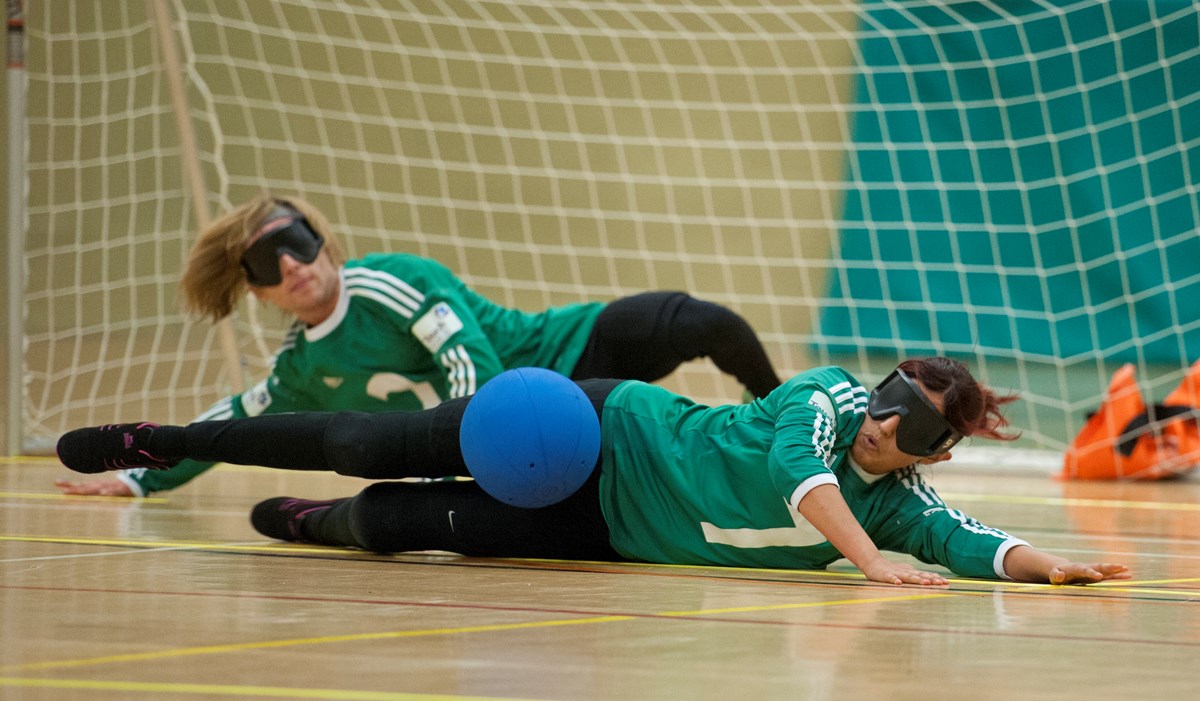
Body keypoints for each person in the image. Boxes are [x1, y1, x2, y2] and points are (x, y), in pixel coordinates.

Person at [55, 356, 1130, 586]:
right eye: (891, 412)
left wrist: (1051, 567)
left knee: (402, 526)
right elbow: (802, 478)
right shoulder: (828, 398)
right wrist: (869, 565)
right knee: (364, 444)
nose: (885, 436)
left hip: (604, 530)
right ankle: (172, 439)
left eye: (915, 437)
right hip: (600, 431)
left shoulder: (896, 497)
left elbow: (962, 538)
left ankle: (309, 524)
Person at [54, 193, 782, 498]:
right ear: (255, 292)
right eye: (264, 265)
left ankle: (782, 419)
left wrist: (472, 457)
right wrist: (139, 479)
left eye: (299, 243)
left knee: (707, 324)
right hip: (535, 434)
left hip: (567, 354)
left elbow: (473, 364)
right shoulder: (303, 367)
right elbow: (234, 422)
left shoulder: (392, 282)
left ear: (324, 243)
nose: (293, 266)